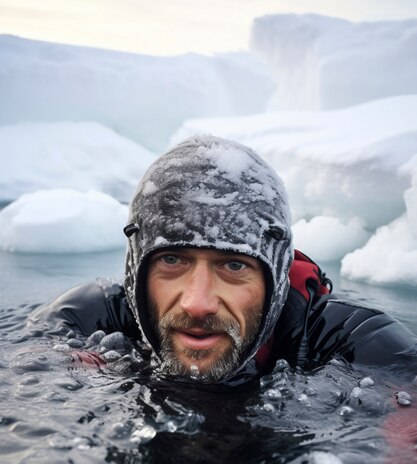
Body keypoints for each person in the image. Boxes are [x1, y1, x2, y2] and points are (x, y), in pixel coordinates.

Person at [30, 134, 417, 385]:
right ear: (137, 269)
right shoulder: (87, 320)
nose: (198, 303)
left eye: (234, 265)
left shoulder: (352, 342)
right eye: (172, 261)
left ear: (276, 274)